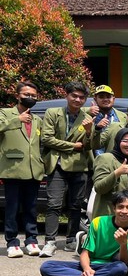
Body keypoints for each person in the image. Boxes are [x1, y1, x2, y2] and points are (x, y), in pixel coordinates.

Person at [37, 189, 128, 276]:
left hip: (111, 266)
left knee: (121, 268)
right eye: (120, 207)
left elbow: (124, 262)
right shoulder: (98, 222)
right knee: (47, 266)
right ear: (114, 208)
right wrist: (87, 269)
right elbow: (85, 252)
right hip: (92, 264)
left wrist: (123, 244)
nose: (124, 211)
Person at [41, 81, 94, 256]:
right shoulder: (53, 113)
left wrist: (87, 132)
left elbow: (88, 146)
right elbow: (47, 139)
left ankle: (72, 239)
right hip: (56, 164)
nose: (78, 99)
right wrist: (72, 145)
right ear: (67, 95)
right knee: (53, 204)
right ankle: (50, 241)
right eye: (74, 96)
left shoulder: (87, 117)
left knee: (76, 205)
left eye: (81, 97)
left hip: (79, 166)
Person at [0, 81, 45, 258]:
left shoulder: (37, 119)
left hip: (34, 169)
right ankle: (12, 242)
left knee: (31, 207)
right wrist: (16, 120)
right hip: (12, 168)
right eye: (27, 94)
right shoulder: (5, 113)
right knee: (12, 207)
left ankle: (31, 240)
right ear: (17, 95)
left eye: (34, 96)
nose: (30, 98)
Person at [90, 128, 128, 219]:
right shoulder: (105, 159)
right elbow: (99, 188)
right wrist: (117, 173)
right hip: (108, 216)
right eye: (125, 141)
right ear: (118, 142)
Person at [86, 85, 127, 156]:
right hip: (94, 161)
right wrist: (97, 127)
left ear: (113, 99)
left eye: (108, 97)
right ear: (95, 99)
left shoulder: (123, 116)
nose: (105, 99)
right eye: (101, 97)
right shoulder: (88, 116)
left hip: (116, 160)